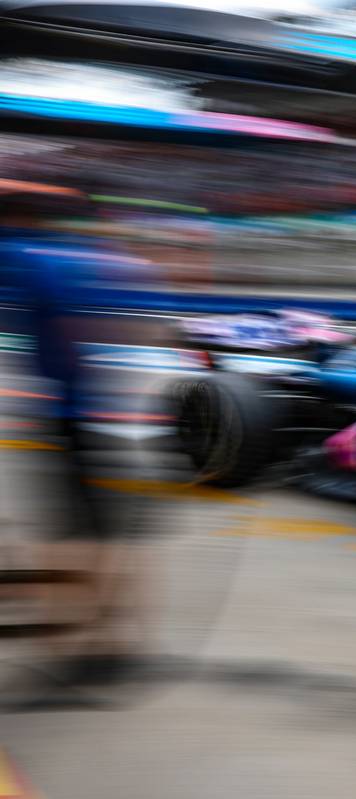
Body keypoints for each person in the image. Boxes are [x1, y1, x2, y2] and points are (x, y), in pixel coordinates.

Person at [0, 182, 152, 703]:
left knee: (77, 536)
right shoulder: (98, 256)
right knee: (101, 533)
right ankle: (107, 640)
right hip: (115, 414)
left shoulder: (28, 258)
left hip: (76, 413)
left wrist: (75, 379)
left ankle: (91, 646)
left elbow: (69, 331)